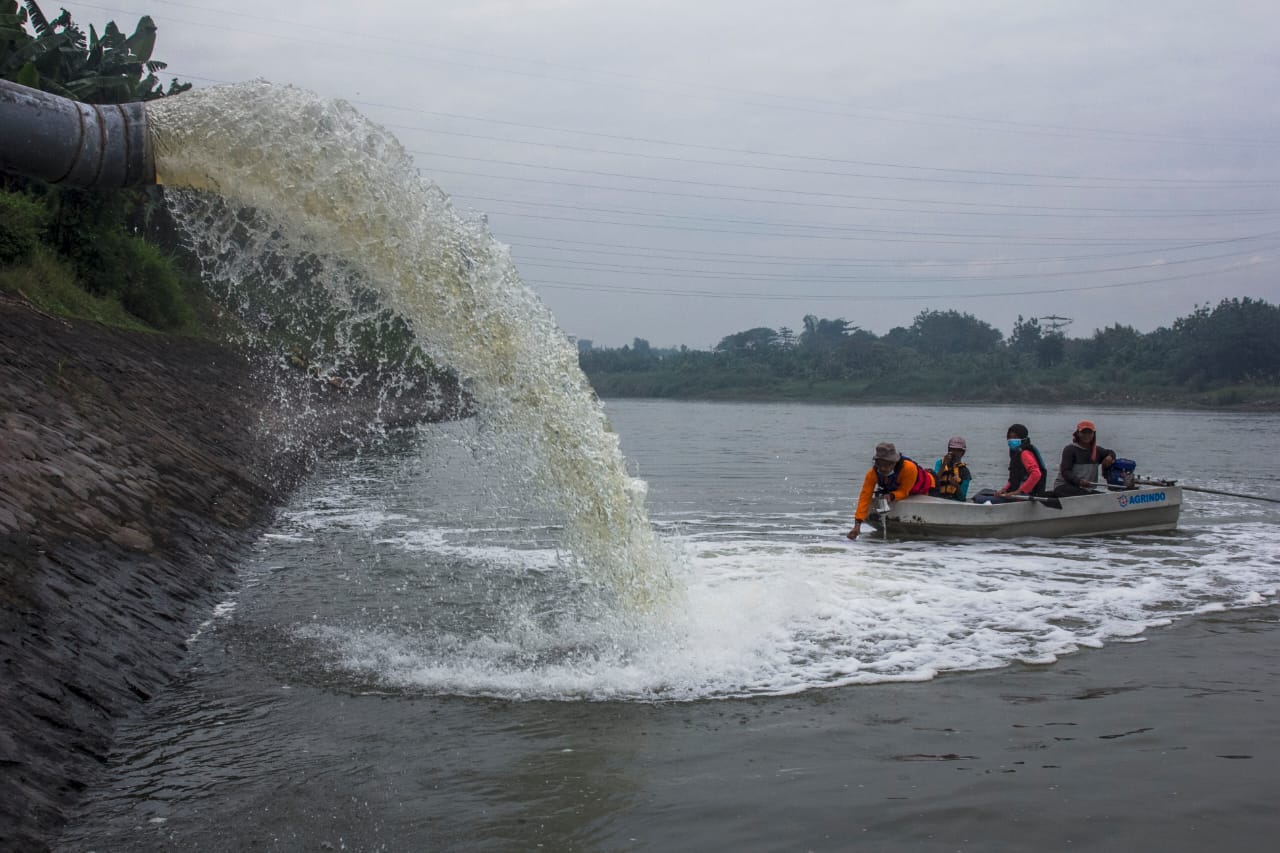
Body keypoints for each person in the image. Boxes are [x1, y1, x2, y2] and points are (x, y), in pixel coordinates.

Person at [847, 441, 935, 539]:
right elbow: (864, 497)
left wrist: (892, 496)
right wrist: (857, 525)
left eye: (887, 465)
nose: (883, 469)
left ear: (894, 462)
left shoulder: (909, 468)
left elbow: (904, 491)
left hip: (930, 486)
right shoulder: (872, 473)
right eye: (879, 465)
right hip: (898, 488)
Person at [974, 423, 1047, 503]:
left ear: (1023, 438)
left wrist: (1019, 491)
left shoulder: (1024, 453)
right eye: (1010, 438)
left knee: (978, 498)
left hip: (1025, 495)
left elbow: (1036, 474)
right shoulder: (1017, 453)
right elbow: (1014, 479)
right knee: (983, 491)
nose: (1011, 440)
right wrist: (1004, 489)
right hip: (1016, 494)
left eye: (1015, 437)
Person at [1050, 420, 1116, 497]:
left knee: (1097, 496)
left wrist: (1110, 457)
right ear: (1078, 434)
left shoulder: (1097, 451)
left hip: (1085, 489)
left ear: (1093, 434)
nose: (1086, 435)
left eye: (1089, 433)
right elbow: (1065, 471)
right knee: (1089, 496)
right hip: (1063, 487)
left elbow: (1111, 452)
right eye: (1083, 432)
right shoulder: (1070, 450)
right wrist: (1079, 481)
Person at [931, 436, 971, 501]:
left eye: (958, 450)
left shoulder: (965, 471)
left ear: (962, 453)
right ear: (949, 450)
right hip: (938, 499)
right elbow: (934, 481)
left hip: (954, 500)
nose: (954, 452)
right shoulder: (940, 463)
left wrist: (956, 485)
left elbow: (962, 497)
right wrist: (944, 465)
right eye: (952, 449)